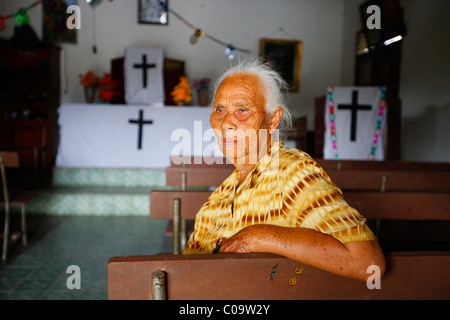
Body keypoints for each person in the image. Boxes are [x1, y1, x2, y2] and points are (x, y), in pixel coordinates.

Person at [183, 59, 385, 281]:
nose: (225, 123)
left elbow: (368, 264)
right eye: (219, 109)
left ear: (273, 120)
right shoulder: (218, 198)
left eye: (242, 110)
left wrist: (258, 237)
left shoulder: (294, 172)